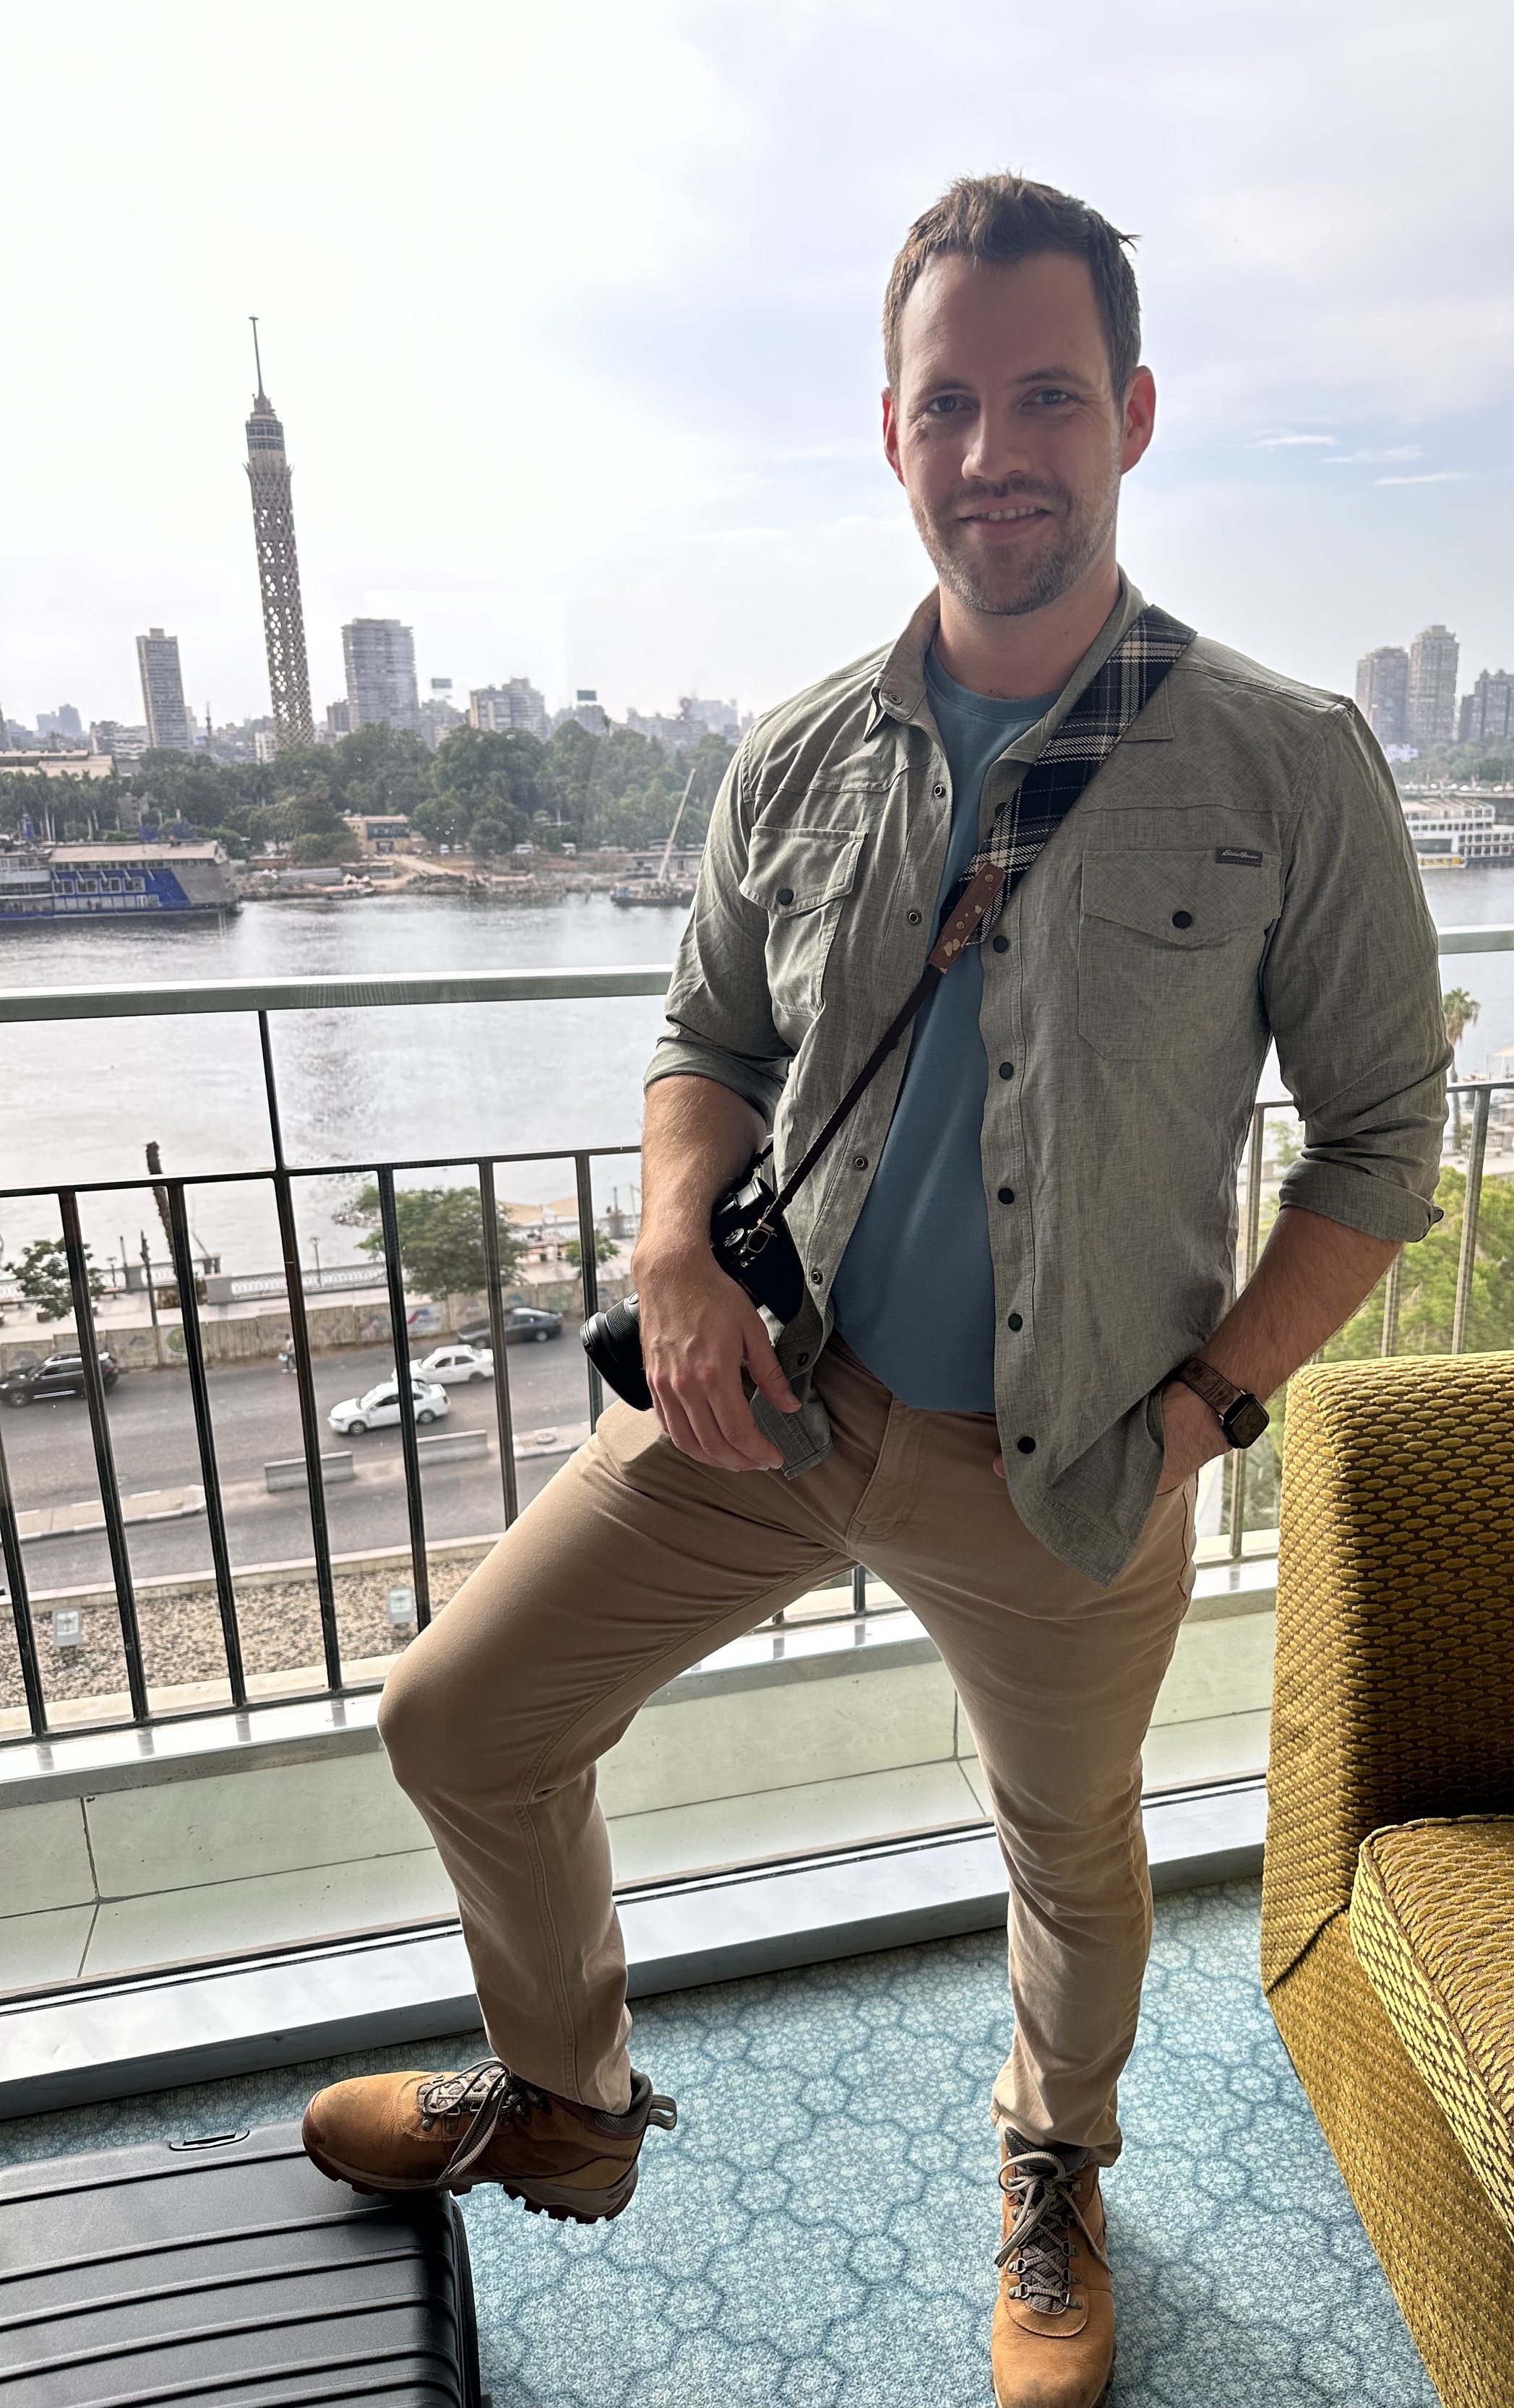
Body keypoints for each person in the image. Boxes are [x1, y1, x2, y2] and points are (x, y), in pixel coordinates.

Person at [301, 173, 1448, 2408]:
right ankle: (565, 2096)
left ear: (1127, 416)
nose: (995, 446)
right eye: (950, 401)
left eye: (1044, 395)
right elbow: (701, 1046)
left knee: (1072, 1858)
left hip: (1069, 1456)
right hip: (763, 1405)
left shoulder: (1281, 764)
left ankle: (1054, 2167)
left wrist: (1203, 1410)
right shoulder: (797, 754)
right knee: (462, 1717)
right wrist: (668, 1254)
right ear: (891, 436)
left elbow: (1380, 1143)